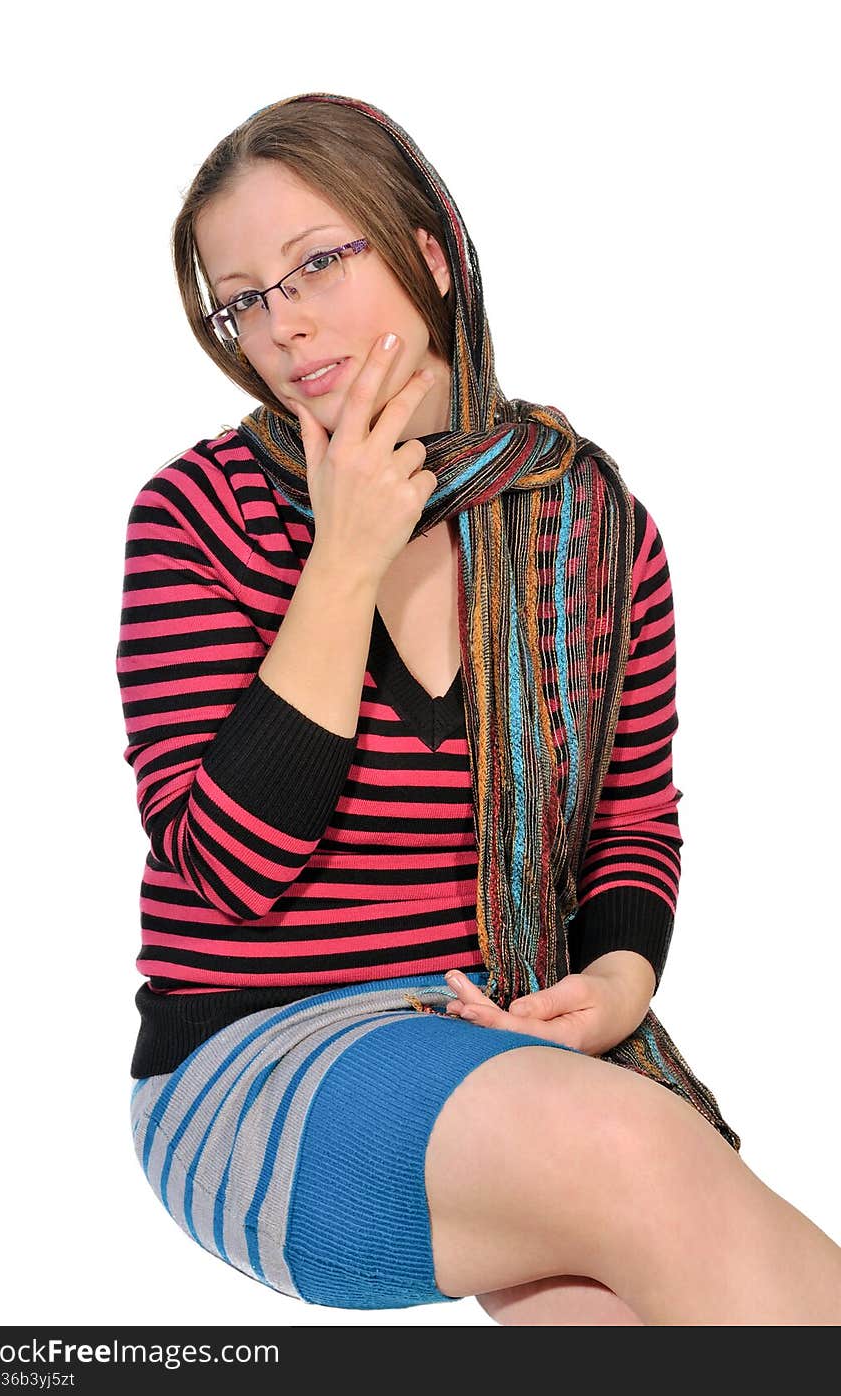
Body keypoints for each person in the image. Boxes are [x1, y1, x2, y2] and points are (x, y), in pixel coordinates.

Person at [117, 92, 841, 1324]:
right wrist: (344, 559)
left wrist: (615, 981)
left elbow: (630, 820)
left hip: (503, 1043)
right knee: (644, 1154)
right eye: (242, 298)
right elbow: (226, 872)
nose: (279, 326)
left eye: (314, 265)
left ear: (432, 256)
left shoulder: (591, 524)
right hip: (252, 1064)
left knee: (635, 1311)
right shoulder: (198, 517)